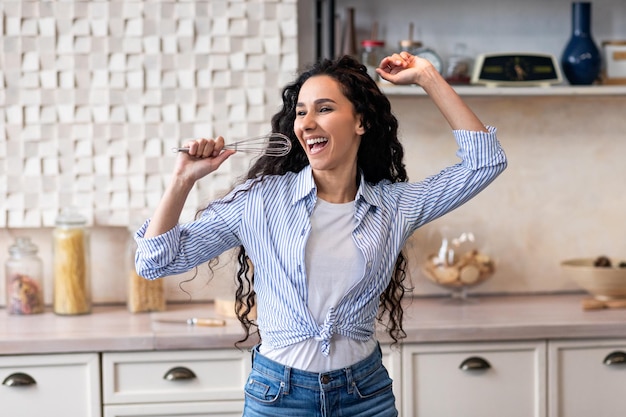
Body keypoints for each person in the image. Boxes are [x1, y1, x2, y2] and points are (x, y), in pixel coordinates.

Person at [134, 51, 507, 416]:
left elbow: (485, 162)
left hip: (365, 396)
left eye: (324, 109)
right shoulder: (260, 202)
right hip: (278, 398)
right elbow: (154, 262)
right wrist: (181, 180)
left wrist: (427, 76)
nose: (307, 123)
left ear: (360, 121)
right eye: (301, 112)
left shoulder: (395, 207)